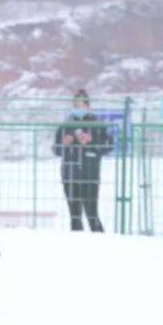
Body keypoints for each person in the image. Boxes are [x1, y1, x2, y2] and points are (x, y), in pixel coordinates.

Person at [53, 90, 113, 232]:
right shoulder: (65, 125)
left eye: (80, 105)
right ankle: (77, 243)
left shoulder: (98, 125)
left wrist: (92, 142)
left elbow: (108, 146)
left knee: (92, 214)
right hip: (70, 174)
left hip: (89, 174)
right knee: (74, 216)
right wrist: (64, 144)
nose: (77, 108)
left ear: (88, 106)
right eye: (75, 105)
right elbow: (56, 150)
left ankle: (100, 240)